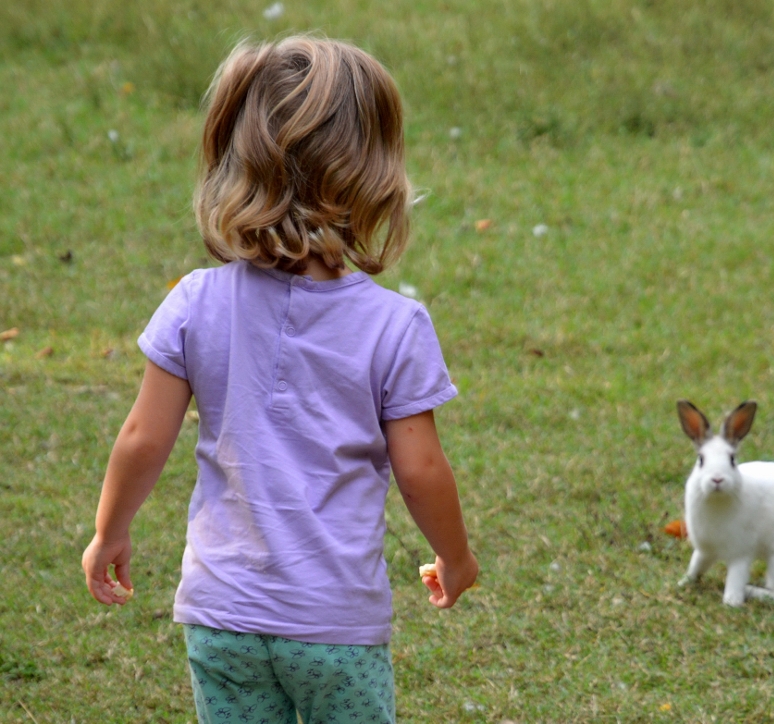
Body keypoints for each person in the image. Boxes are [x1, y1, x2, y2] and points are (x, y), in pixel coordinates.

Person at [82, 35, 478, 723]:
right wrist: (457, 556)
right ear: (372, 173)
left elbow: (143, 436)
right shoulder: (395, 325)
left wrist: (109, 530)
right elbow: (421, 470)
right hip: (335, 629)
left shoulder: (194, 302)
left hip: (220, 616)